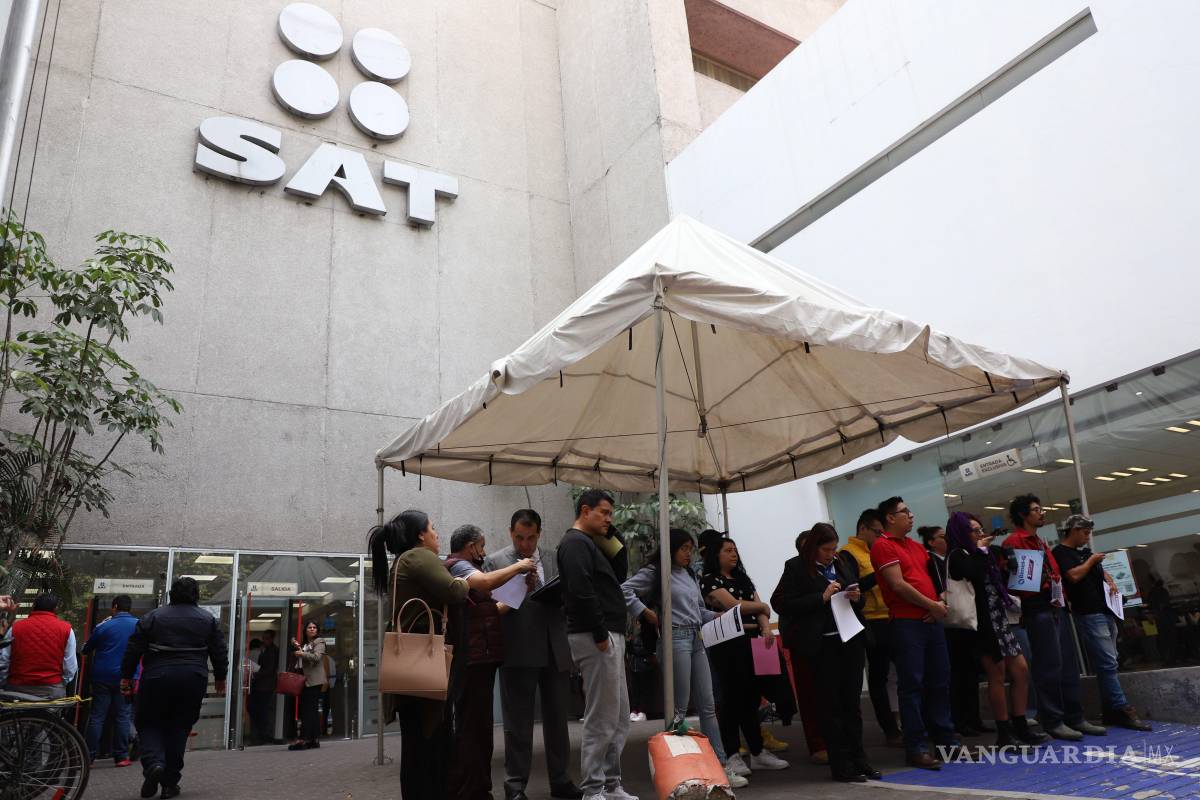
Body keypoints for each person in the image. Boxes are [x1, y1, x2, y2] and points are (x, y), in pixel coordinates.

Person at [623, 528, 747, 789]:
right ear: (671, 549)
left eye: (690, 549)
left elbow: (698, 610)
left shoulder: (689, 573)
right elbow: (625, 590)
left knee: (708, 705)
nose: (688, 554)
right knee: (678, 709)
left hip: (696, 637)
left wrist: (720, 617)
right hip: (674, 638)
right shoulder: (656, 572)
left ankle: (722, 767)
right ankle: (680, 772)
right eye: (684, 549)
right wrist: (645, 612)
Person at [369, 509, 471, 800]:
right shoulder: (419, 556)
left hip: (408, 666)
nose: (437, 534)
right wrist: (465, 580)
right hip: (424, 665)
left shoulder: (402, 560)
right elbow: (453, 591)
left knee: (415, 747)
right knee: (433, 747)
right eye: (432, 528)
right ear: (420, 535)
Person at [485, 509, 582, 800]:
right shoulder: (497, 561)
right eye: (519, 538)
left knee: (557, 721)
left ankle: (561, 780)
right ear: (510, 532)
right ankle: (515, 787)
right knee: (518, 724)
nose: (525, 544)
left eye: (530, 538)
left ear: (539, 533)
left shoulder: (553, 558)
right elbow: (489, 608)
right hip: (518, 649)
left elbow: (569, 599)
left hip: (555, 648)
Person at [773, 523, 877, 782]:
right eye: (826, 549)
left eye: (833, 548)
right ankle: (841, 765)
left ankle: (859, 758)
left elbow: (859, 597)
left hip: (850, 639)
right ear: (814, 548)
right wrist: (821, 597)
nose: (831, 553)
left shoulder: (840, 562)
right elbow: (782, 604)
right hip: (822, 645)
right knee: (830, 707)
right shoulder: (796, 567)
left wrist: (855, 596)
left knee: (852, 705)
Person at [443, 523, 538, 800]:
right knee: (474, 728)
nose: (484, 551)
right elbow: (485, 584)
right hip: (471, 660)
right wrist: (518, 567)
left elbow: (494, 609)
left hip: (480, 658)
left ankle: (476, 787)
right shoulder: (459, 566)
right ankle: (471, 790)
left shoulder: (466, 569)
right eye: (482, 546)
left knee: (478, 727)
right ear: (471, 546)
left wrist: (521, 588)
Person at [557, 489, 637, 800]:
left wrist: (610, 532)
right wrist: (601, 633)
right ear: (585, 510)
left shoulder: (590, 543)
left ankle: (611, 784)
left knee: (617, 716)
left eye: (611, 514)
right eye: (604, 513)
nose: (609, 519)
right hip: (596, 636)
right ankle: (593, 789)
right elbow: (580, 591)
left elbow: (618, 572)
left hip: (606, 633)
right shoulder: (575, 543)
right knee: (602, 717)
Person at [1005, 494, 1106, 741]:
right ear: (1023, 515)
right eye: (1036, 510)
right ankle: (1053, 720)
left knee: (1068, 666)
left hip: (1056, 607)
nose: (1042, 513)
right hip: (1038, 609)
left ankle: (1075, 716)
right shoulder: (1015, 542)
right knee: (1049, 666)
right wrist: (1046, 581)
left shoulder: (1039, 542)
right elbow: (1023, 584)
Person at [870, 497, 959, 769]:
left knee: (940, 681)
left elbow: (934, 581)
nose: (911, 515)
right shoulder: (883, 546)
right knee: (912, 686)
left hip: (930, 621)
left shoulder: (916, 546)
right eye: (904, 512)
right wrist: (932, 605)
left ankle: (946, 743)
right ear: (889, 518)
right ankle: (916, 747)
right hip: (906, 623)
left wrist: (939, 604)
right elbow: (897, 585)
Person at [945, 512, 1048, 748]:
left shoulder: (986, 553)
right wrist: (981, 551)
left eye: (981, 529)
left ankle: (1020, 723)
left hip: (1000, 618)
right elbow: (973, 573)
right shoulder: (958, 555)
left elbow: (996, 580)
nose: (980, 534)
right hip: (982, 624)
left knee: (1021, 670)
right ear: (962, 532)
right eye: (974, 530)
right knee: (997, 675)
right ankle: (1004, 732)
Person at [121, 577, 227, 799]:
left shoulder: (153, 616)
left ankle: (153, 764)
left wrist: (126, 676)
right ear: (196, 595)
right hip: (193, 676)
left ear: (171, 594)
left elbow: (134, 648)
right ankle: (170, 783)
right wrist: (220, 677)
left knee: (148, 721)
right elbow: (219, 650)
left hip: (157, 675)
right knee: (179, 727)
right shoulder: (207, 619)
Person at [701, 536, 790, 779]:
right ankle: (732, 754)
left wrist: (765, 627)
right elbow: (732, 605)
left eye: (735, 550)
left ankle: (758, 751)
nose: (734, 554)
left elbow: (761, 606)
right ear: (715, 555)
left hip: (754, 642)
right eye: (728, 551)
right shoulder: (710, 580)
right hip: (728, 643)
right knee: (731, 700)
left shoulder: (742, 578)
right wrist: (760, 609)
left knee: (752, 698)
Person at [1052, 514, 1151, 731]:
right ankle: (1121, 708)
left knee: (1109, 662)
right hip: (1088, 613)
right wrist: (1092, 561)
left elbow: (1096, 572)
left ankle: (1110, 710)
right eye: (1085, 533)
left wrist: (1109, 579)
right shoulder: (1061, 553)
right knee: (1107, 662)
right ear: (1074, 530)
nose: (1088, 538)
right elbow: (1073, 576)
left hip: (1104, 609)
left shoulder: (1084, 553)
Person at [841, 509, 902, 746]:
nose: (880, 536)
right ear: (863, 528)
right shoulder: (847, 554)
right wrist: (879, 571)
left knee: (902, 673)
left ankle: (905, 723)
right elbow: (853, 587)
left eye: (882, 532)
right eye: (877, 532)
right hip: (870, 619)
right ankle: (890, 729)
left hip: (890, 615)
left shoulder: (878, 550)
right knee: (879, 677)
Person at [921, 524, 988, 737]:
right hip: (948, 620)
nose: (946, 540)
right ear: (931, 542)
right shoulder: (931, 560)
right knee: (956, 674)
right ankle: (959, 720)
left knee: (970, 671)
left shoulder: (954, 556)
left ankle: (973, 718)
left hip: (964, 618)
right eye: (941, 537)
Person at [83, 594, 138, 766]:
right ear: (130, 608)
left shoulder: (105, 626)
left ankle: (89, 756)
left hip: (102, 676)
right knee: (123, 715)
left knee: (97, 716)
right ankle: (121, 756)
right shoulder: (139, 625)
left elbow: (86, 649)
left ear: (114, 607)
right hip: (126, 677)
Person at [0, 592, 77, 699]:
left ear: (33, 606)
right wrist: (60, 683)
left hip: (16, 690)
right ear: (55, 609)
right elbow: (70, 667)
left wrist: (4, 683)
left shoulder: (16, 627)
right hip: (51, 691)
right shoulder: (67, 630)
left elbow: (4, 660)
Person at [287, 621, 326, 750]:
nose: (312, 629)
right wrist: (297, 650)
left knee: (308, 710)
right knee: (309, 710)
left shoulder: (319, 642)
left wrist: (301, 654)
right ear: (305, 630)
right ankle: (313, 739)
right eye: (309, 627)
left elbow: (316, 657)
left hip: (313, 681)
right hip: (304, 680)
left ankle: (305, 739)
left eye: (314, 627)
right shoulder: (304, 644)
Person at [249, 629, 282, 744]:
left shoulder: (273, 651)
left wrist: (255, 674)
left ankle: (264, 736)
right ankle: (261, 735)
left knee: (263, 711)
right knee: (258, 710)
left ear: (272, 639)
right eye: (263, 638)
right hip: (260, 685)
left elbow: (270, 669)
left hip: (266, 686)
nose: (264, 640)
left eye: (267, 638)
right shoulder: (266, 650)